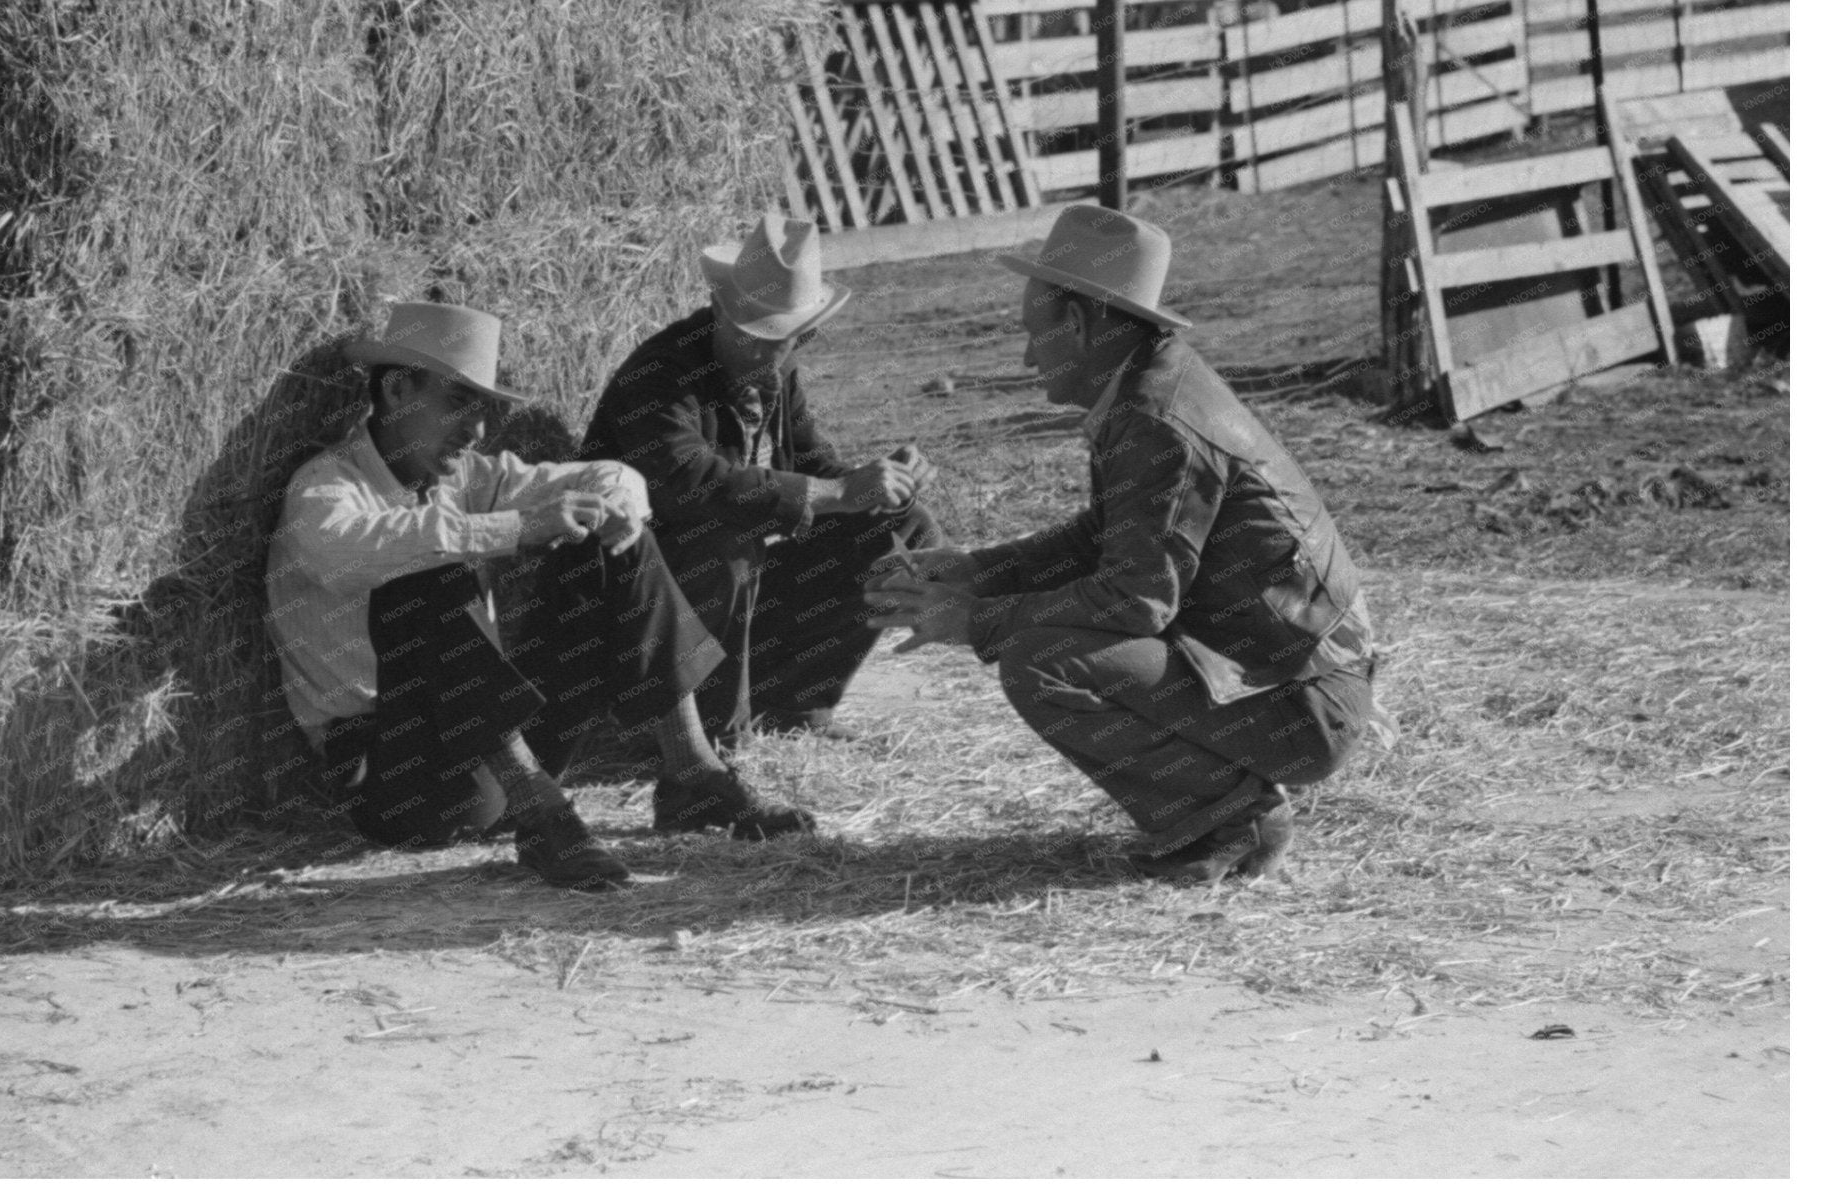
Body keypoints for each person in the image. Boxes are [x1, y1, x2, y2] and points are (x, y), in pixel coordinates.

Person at [864, 205, 1390, 884]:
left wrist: (977, 619)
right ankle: (1225, 808)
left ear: (1079, 324)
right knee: (1045, 644)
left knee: (1039, 660)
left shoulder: (1154, 417)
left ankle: (1238, 819)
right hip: (1294, 683)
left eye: (1035, 333)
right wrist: (979, 571)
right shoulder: (1156, 385)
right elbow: (1106, 538)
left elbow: (1135, 600)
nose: (1028, 356)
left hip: (1306, 707)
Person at [265, 297, 814, 892]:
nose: (477, 431)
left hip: (497, 734)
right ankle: (543, 817)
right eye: (459, 403)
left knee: (608, 532)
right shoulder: (325, 486)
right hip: (400, 771)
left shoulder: (468, 476)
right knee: (422, 571)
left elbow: (611, 475)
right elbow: (339, 554)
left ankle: (693, 773)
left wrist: (616, 512)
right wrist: (517, 527)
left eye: (486, 411)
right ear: (397, 390)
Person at [581, 212, 942, 747]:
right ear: (717, 308)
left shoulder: (777, 370)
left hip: (735, 590)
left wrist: (883, 484)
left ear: (804, 336)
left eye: (774, 340)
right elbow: (690, 483)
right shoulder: (659, 376)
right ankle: (702, 736)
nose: (755, 349)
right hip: (639, 596)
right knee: (727, 543)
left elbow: (813, 466)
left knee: (903, 525)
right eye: (744, 333)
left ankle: (792, 702)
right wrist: (838, 492)